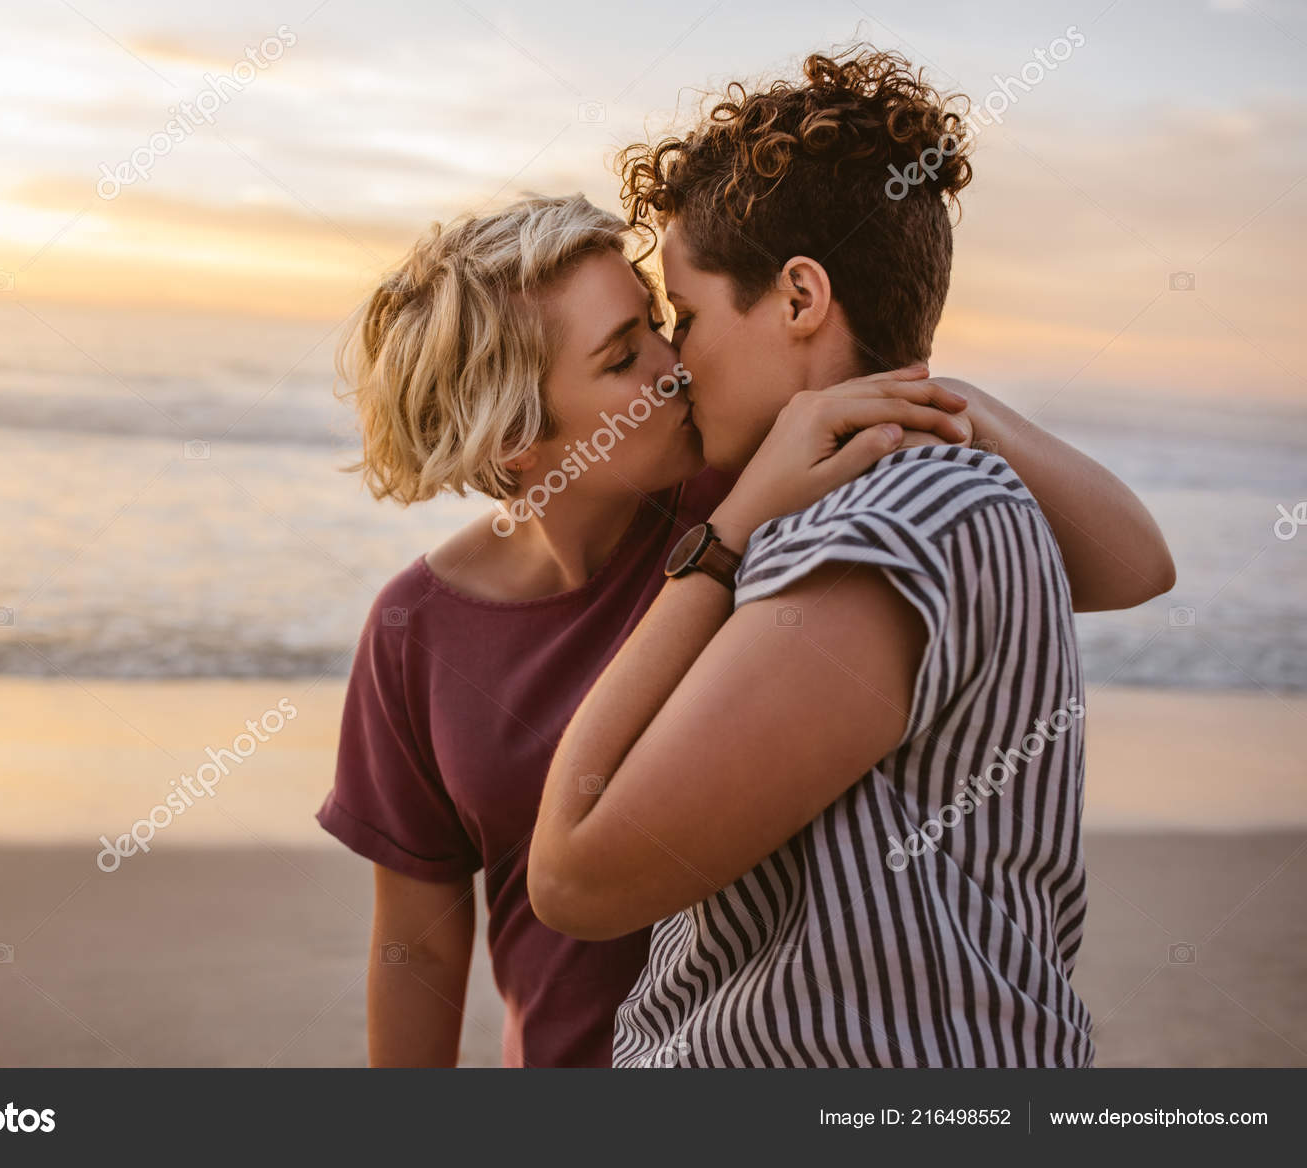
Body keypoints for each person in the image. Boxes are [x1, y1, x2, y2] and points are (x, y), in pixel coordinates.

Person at [318, 186, 1171, 1065]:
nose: (672, 363)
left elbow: (1134, 564)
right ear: (514, 437)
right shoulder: (413, 632)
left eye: (658, 321)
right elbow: (417, 944)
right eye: (622, 357)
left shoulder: (769, 493)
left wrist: (921, 397)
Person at [525, 47, 1171, 1066]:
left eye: (684, 319)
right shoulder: (908, 498)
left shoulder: (884, 522)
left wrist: (722, 540)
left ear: (798, 298)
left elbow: (573, 877)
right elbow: (1134, 562)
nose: (677, 365)